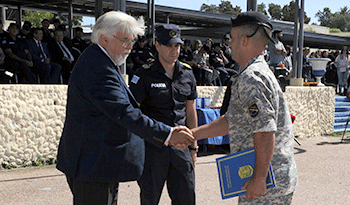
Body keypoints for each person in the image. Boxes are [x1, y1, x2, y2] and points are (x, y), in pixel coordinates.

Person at [56, 11, 195, 205]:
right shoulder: (99, 69)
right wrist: (169, 134)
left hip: (98, 163)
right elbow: (125, 112)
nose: (130, 47)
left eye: (132, 41)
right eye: (125, 41)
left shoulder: (101, 62)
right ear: (104, 39)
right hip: (93, 165)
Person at [192, 11, 298, 204]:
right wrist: (193, 135)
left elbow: (265, 130)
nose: (229, 44)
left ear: (245, 40)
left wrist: (259, 179)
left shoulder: (252, 77)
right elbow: (233, 120)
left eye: (231, 38)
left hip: (267, 185)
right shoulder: (256, 72)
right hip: (270, 180)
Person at [129, 24, 198, 205]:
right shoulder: (143, 74)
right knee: (150, 199)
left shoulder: (187, 74)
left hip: (181, 148)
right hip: (153, 148)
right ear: (157, 45)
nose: (174, 50)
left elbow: (190, 111)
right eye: (169, 46)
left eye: (177, 46)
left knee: (187, 198)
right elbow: (132, 113)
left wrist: (194, 146)